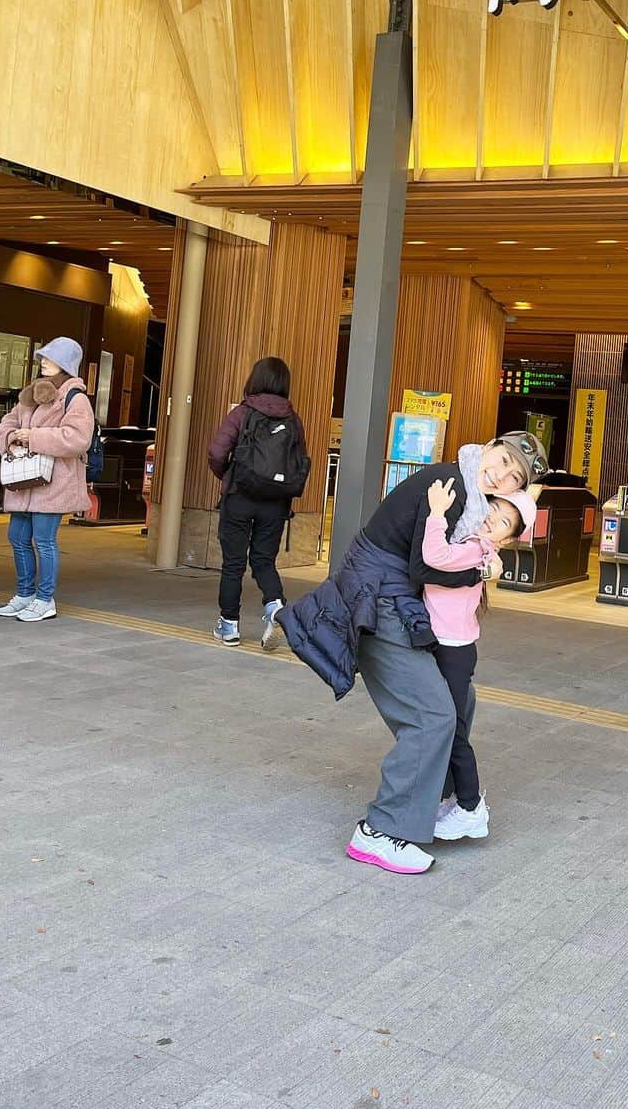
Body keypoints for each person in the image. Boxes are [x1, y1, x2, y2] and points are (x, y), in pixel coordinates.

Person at [277, 430, 549, 875]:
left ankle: (436, 798)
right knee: (433, 714)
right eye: (501, 460)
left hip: (396, 595)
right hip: (380, 596)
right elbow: (427, 567)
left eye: (512, 477)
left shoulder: (469, 493)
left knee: (459, 700)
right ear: (489, 447)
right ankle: (381, 831)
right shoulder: (454, 487)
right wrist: (482, 568)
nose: (499, 475)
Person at [421, 476, 537, 844]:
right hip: (449, 644)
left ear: (507, 539)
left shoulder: (475, 551)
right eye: (494, 510)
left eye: (504, 522)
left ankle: (471, 807)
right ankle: (453, 798)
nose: (493, 519)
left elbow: (434, 557)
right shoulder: (477, 546)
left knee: (452, 730)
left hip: (453, 648)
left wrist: (436, 512)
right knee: (446, 725)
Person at [207, 357, 309, 650]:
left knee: (233, 564)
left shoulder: (242, 413)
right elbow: (300, 461)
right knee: (264, 561)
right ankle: (275, 608)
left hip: (240, 496)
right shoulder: (292, 419)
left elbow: (216, 452)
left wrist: (228, 475)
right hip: (275, 502)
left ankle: (229, 627)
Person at [0, 338, 95, 622]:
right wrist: (11, 438)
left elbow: (77, 438)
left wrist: (33, 437)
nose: (43, 362)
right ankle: (24, 594)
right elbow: (7, 424)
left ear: (65, 364)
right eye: (42, 358)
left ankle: (44, 599)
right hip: (24, 481)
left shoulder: (75, 399)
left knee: (44, 540)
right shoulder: (30, 394)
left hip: (53, 483)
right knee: (17, 536)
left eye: (49, 358)